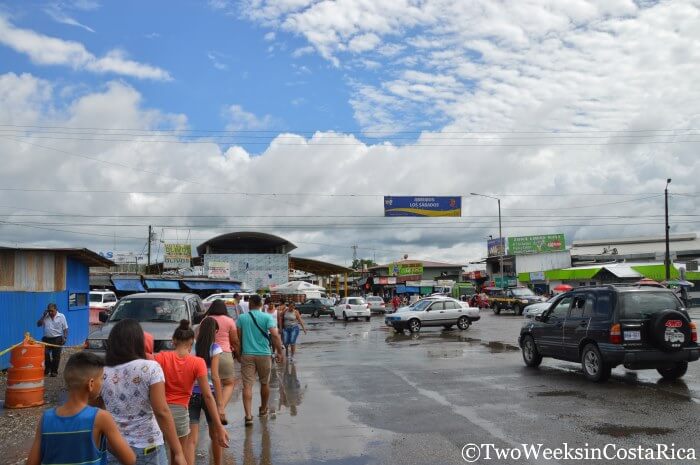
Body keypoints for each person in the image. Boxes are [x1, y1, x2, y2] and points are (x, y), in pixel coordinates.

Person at [100, 319, 187, 465]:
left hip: (114, 447)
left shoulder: (102, 373)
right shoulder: (151, 368)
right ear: (138, 342)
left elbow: (99, 409)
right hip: (148, 446)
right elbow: (162, 411)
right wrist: (178, 452)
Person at [26, 352, 136, 465]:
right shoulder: (101, 417)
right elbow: (130, 459)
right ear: (91, 384)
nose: (103, 383)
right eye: (102, 379)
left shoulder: (46, 418)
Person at [155, 320, 228, 465]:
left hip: (162, 413)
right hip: (181, 411)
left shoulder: (161, 357)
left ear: (173, 340)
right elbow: (208, 394)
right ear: (191, 341)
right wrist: (219, 425)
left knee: (173, 451)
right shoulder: (198, 362)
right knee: (179, 452)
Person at [236, 294, 285, 426]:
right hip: (264, 354)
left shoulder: (241, 318)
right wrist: (280, 352)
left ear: (250, 304)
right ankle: (263, 409)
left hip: (247, 354)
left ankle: (248, 416)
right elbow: (275, 335)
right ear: (261, 305)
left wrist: (238, 354)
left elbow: (238, 339)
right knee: (264, 383)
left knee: (247, 385)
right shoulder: (267, 317)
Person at [189, 317, 226, 465]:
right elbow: (216, 377)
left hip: (191, 394)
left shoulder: (191, 347)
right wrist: (220, 404)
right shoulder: (214, 348)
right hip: (210, 394)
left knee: (191, 439)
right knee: (216, 434)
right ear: (215, 331)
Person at [204, 299, 239, 424]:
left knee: (211, 384)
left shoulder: (205, 320)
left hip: (207, 355)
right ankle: (220, 409)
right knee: (229, 383)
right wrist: (238, 354)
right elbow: (234, 340)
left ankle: (214, 409)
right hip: (224, 354)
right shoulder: (229, 321)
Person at [36, 303, 68, 377]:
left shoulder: (61, 316)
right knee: (45, 354)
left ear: (56, 310)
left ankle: (54, 371)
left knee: (56, 356)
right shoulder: (45, 316)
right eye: (49, 311)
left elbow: (65, 328)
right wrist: (43, 316)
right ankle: (48, 368)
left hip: (57, 338)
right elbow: (38, 324)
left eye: (52, 311)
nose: (50, 313)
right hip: (46, 339)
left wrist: (65, 337)